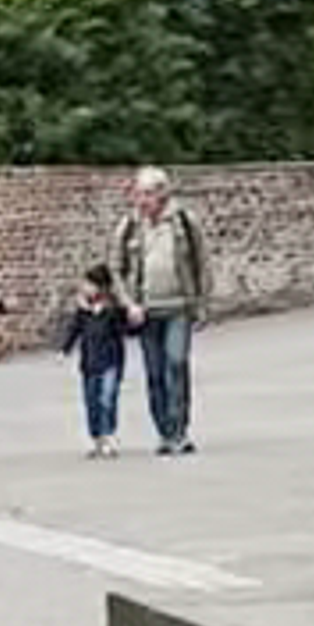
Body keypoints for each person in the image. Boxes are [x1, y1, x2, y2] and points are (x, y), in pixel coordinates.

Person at [113, 167, 208, 455]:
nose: (142, 200)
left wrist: (201, 304)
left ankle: (180, 430)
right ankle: (165, 432)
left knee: (176, 364)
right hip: (145, 310)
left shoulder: (183, 222)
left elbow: (201, 263)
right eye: (139, 194)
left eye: (148, 193)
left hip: (178, 305)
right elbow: (116, 268)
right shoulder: (129, 225)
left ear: (163, 193)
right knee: (155, 373)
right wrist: (129, 303)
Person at [64, 260, 131, 456]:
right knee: (91, 400)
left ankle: (108, 434)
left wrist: (111, 312)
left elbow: (124, 328)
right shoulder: (83, 311)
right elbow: (74, 329)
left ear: (101, 287)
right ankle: (96, 438)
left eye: (89, 285)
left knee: (107, 399)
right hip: (89, 362)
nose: (85, 289)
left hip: (111, 361)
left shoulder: (113, 309)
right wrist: (65, 348)